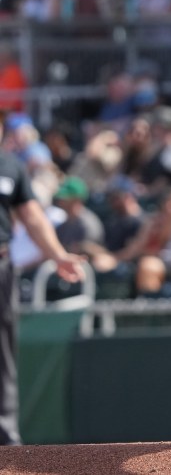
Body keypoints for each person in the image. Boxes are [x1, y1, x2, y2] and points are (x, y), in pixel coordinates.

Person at [0, 111, 85, 445]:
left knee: (3, 351)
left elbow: (32, 216)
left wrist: (57, 254)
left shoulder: (10, 166)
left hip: (2, 266)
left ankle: (5, 435)